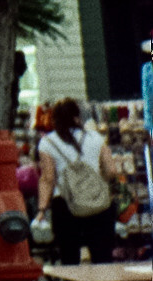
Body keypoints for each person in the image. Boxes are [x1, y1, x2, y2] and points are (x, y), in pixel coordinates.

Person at [37, 97, 123, 268]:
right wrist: (99, 182)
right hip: (98, 202)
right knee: (103, 255)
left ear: (54, 119)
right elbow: (111, 170)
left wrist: (41, 209)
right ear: (77, 117)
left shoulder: (47, 143)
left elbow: (48, 179)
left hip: (64, 204)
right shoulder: (95, 137)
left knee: (69, 256)